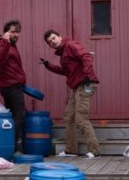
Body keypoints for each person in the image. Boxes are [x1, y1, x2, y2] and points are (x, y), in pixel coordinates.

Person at [41, 29, 101, 157]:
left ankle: (95, 151)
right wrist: (48, 65)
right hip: (77, 86)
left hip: (85, 83)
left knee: (81, 118)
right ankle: (71, 150)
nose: (52, 42)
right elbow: (65, 71)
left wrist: (87, 74)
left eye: (53, 38)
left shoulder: (71, 45)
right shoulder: (63, 53)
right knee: (69, 117)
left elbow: (86, 56)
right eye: (49, 42)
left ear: (60, 36)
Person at [0, 19, 26, 151]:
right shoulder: (4, 44)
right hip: (12, 86)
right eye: (13, 32)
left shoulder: (9, 45)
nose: (16, 34)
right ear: (6, 33)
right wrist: (5, 42)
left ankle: (10, 146)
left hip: (10, 85)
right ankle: (14, 147)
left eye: (17, 32)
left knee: (13, 116)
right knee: (19, 116)